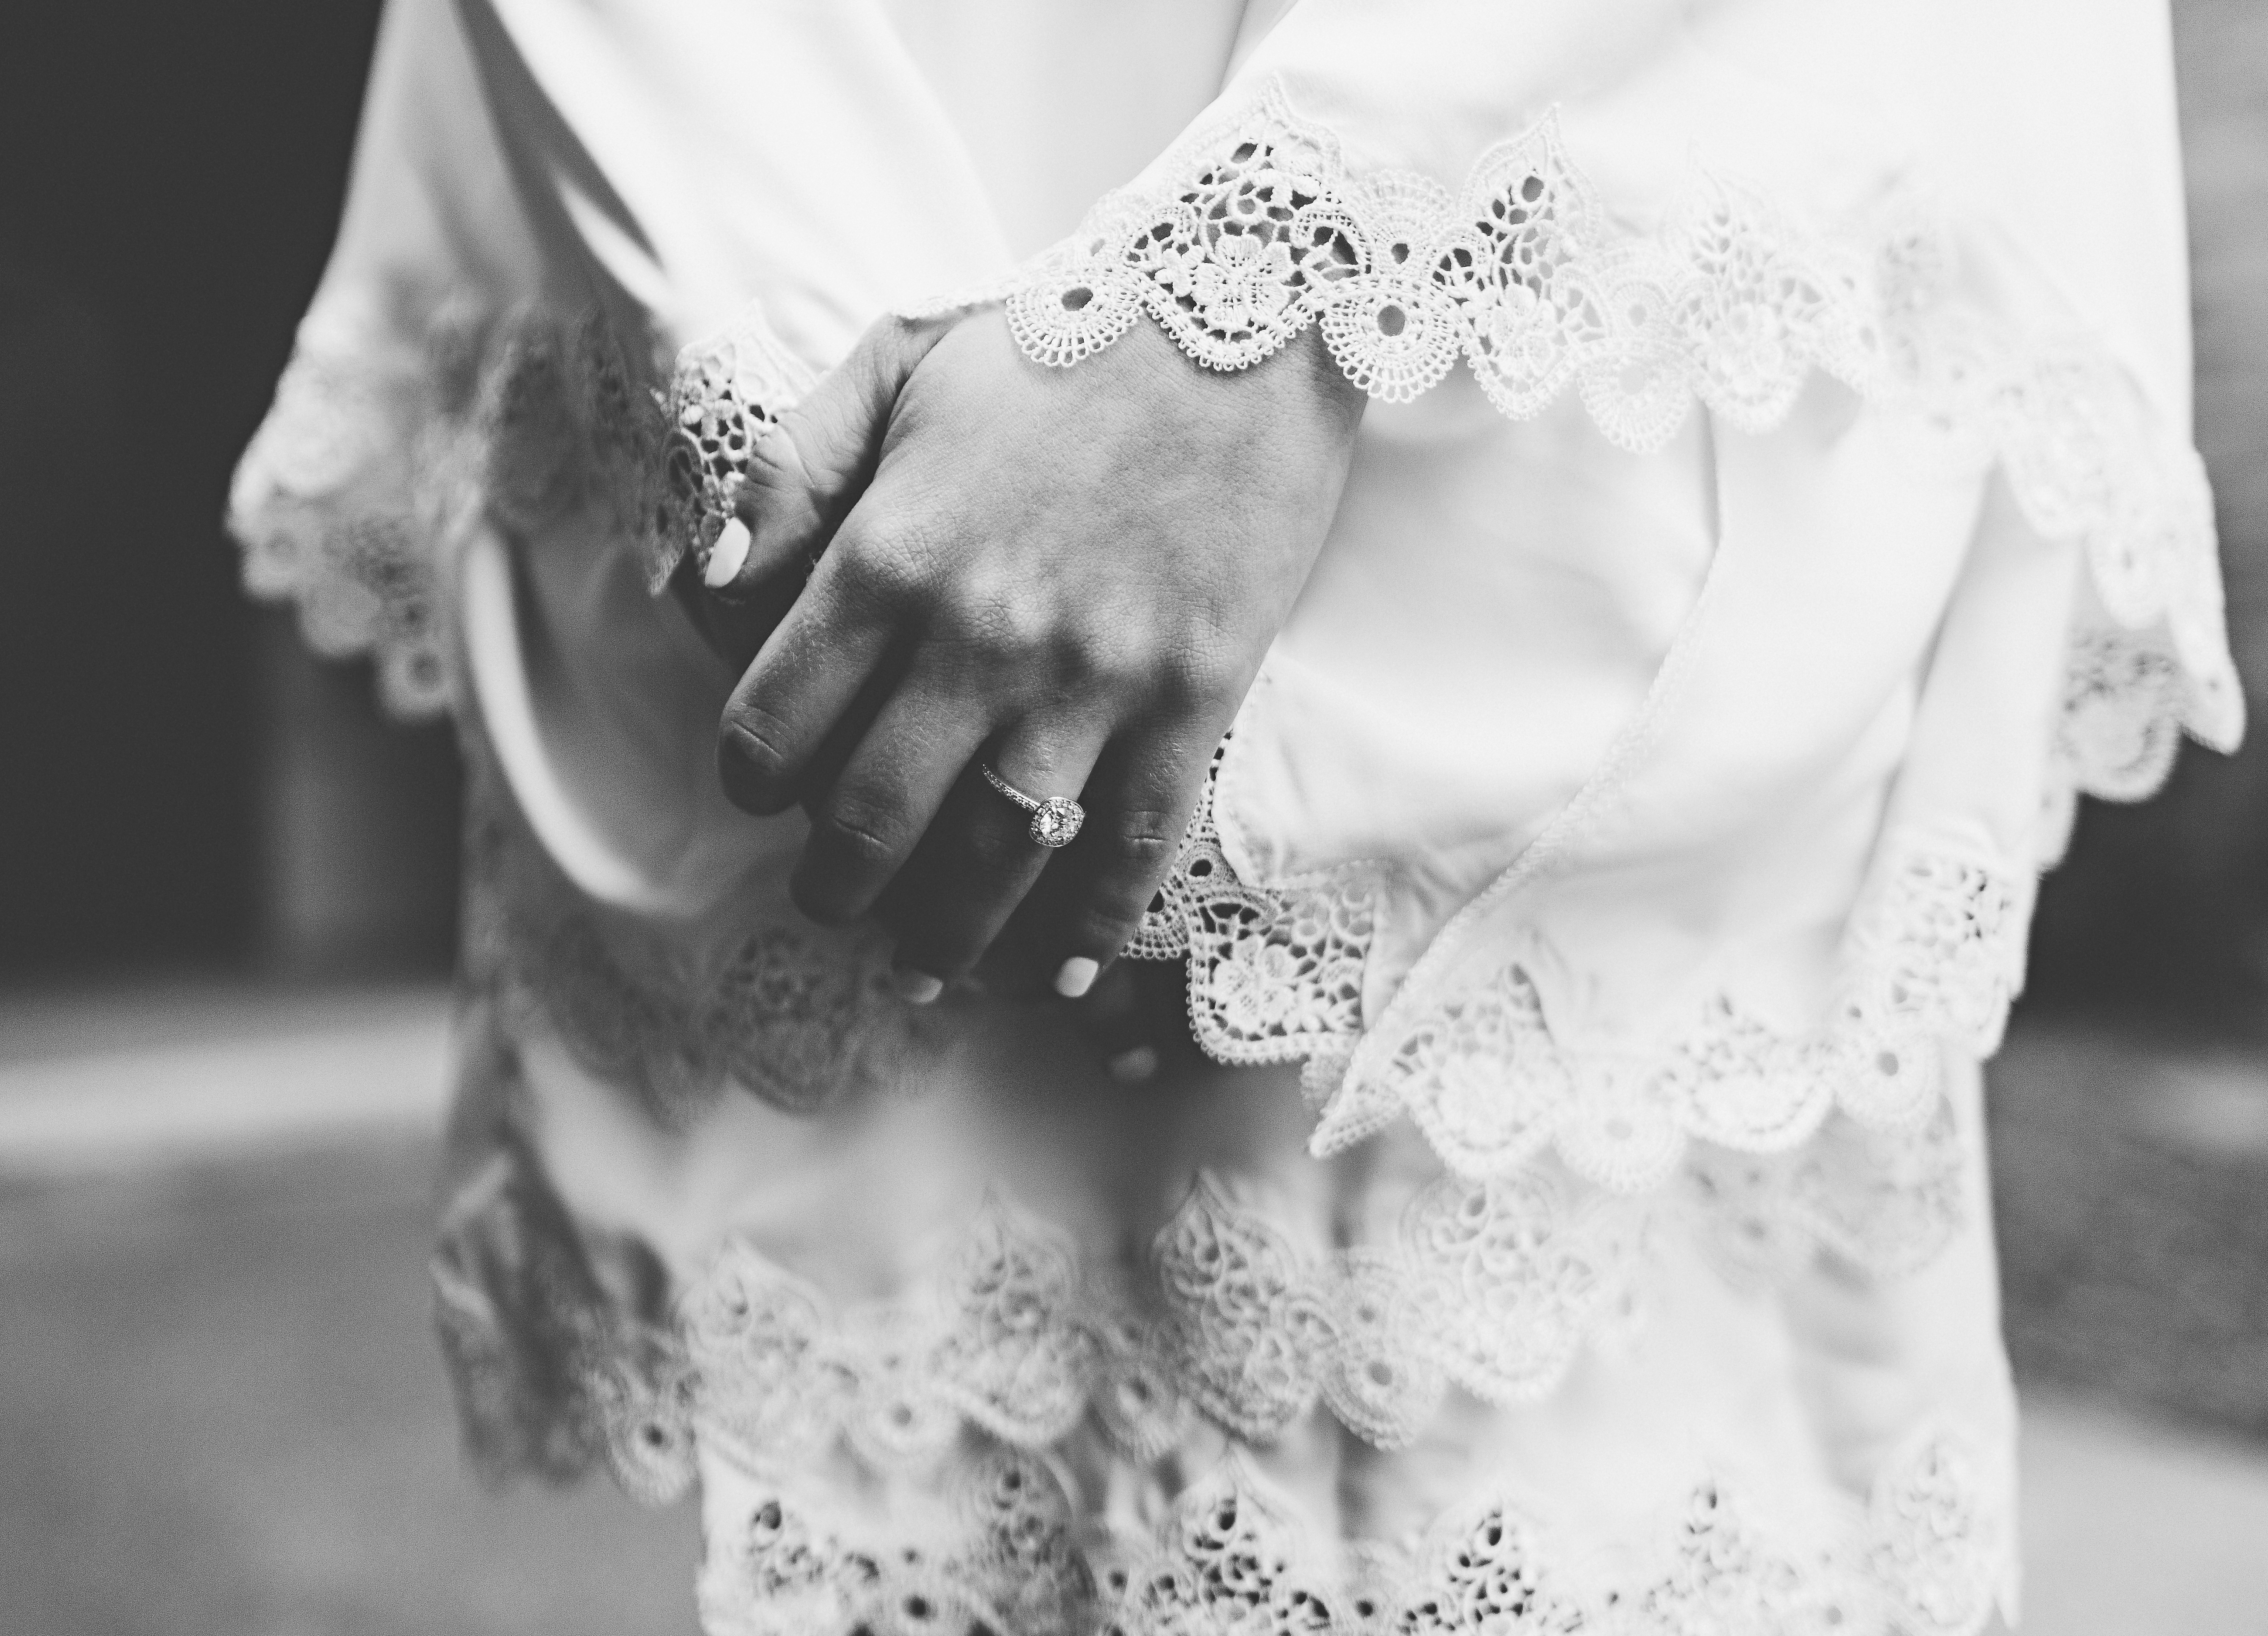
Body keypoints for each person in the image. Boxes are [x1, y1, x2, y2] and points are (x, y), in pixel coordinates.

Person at [228, 1, 2239, 1630]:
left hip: (1585, 237)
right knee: (990, 1477)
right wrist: (824, 418)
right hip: (839, 190)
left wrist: (1270, 266)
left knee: (1598, 1448)